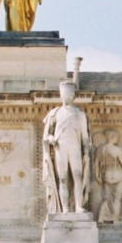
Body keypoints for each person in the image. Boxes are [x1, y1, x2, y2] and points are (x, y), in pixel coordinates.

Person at [42, 81, 92, 214]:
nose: (67, 96)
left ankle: (78, 207)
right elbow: (46, 135)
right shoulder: (55, 113)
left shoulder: (80, 114)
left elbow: (85, 137)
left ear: (73, 95)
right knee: (63, 178)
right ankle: (65, 209)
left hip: (75, 148)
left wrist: (86, 153)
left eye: (69, 93)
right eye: (65, 93)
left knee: (77, 176)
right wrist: (50, 138)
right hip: (60, 148)